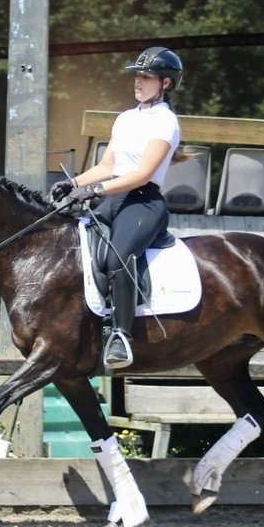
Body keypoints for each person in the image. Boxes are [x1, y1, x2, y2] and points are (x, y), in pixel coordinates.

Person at [50, 46, 183, 369]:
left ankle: (122, 336)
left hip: (143, 201)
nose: (137, 82)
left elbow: (141, 174)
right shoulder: (125, 119)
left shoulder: (166, 123)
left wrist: (93, 190)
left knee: (117, 256)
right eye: (137, 76)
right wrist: (75, 183)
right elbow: (108, 165)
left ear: (165, 83)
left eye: (145, 77)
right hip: (113, 197)